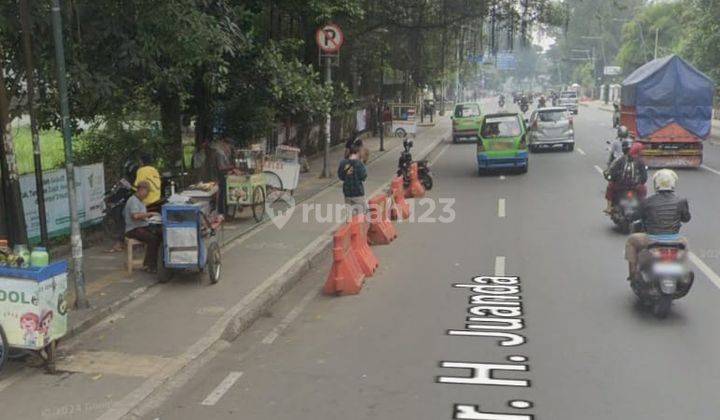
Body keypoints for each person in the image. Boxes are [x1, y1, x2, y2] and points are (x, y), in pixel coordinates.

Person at [625, 169, 691, 280]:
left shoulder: (647, 201)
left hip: (652, 240)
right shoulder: (681, 201)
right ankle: (683, 272)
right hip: (674, 240)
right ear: (673, 184)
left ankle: (633, 273)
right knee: (685, 244)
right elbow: (686, 219)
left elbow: (634, 216)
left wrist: (629, 214)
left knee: (631, 241)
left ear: (656, 184)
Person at [124, 181, 162, 272]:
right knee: (152, 239)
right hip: (133, 229)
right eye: (147, 192)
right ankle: (149, 266)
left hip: (141, 226)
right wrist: (149, 214)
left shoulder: (140, 201)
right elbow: (135, 216)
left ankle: (155, 262)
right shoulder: (133, 200)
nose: (147, 195)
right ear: (141, 190)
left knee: (160, 234)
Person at [604, 141, 647, 213]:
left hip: (620, 186)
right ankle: (643, 208)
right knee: (643, 189)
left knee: (610, 187)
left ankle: (608, 207)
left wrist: (612, 178)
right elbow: (644, 177)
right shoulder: (640, 161)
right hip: (635, 187)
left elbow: (612, 173)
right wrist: (640, 183)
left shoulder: (620, 160)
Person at [338, 139, 368, 216]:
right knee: (361, 215)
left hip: (347, 193)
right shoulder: (359, 164)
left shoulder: (343, 163)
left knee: (350, 216)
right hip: (358, 192)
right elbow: (363, 177)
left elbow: (341, 176)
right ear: (357, 152)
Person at [209, 137, 235, 215]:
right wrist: (231, 167)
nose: (229, 148)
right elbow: (221, 167)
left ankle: (225, 212)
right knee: (222, 195)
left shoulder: (224, 153)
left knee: (225, 194)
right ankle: (222, 212)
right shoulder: (219, 153)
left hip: (224, 176)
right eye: (228, 146)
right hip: (220, 177)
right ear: (224, 144)